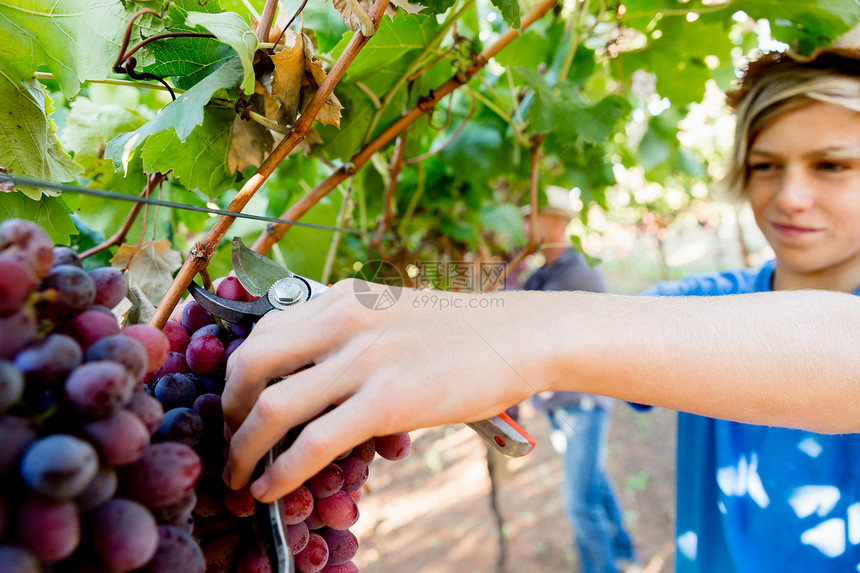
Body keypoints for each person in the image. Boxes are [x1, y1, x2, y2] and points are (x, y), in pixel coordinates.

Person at [221, 40, 860, 565]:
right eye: (766, 165)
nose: (790, 196)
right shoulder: (713, 300)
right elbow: (638, 325)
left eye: (833, 165)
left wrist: (523, 334)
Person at [519, 188, 638, 573]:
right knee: (593, 483)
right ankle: (624, 553)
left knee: (577, 501)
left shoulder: (577, 272)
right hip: (563, 405)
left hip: (583, 403)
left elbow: (534, 329)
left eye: (529, 217)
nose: (523, 226)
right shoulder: (545, 271)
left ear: (554, 221)